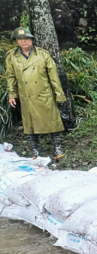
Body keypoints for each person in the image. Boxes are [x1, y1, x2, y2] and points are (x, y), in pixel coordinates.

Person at [5, 27, 66, 159]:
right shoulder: (11, 57)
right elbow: (10, 77)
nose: (24, 41)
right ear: (16, 41)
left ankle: (57, 147)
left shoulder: (43, 55)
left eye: (27, 38)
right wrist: (12, 94)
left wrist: (59, 94)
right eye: (20, 39)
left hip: (44, 94)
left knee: (52, 121)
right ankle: (35, 149)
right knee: (30, 124)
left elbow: (54, 77)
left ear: (32, 39)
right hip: (27, 96)